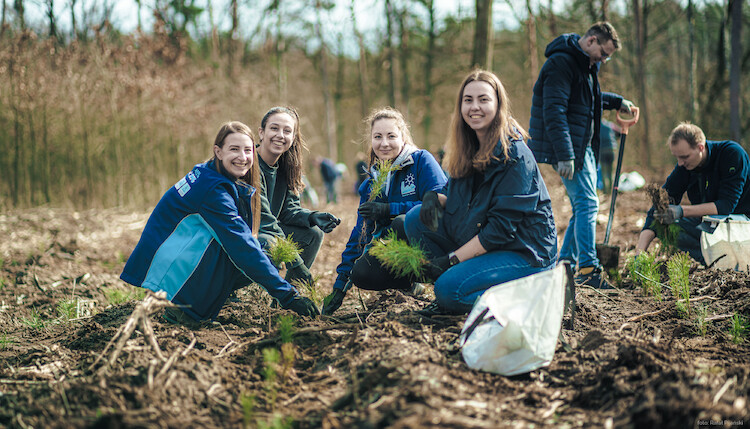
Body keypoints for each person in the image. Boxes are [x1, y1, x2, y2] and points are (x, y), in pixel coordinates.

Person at [120, 121, 319, 326]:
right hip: (169, 273)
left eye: (248, 150)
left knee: (256, 247)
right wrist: (288, 296)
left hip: (166, 261)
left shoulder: (210, 173)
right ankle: (183, 309)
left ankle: (202, 298)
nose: (242, 157)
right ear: (219, 151)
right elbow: (242, 246)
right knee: (254, 249)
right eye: (234, 149)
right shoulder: (213, 191)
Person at [404, 70, 558, 316]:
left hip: (524, 252)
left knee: (448, 291)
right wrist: (435, 198)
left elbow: (500, 230)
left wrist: (451, 260)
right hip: (486, 239)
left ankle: (534, 297)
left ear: (498, 104)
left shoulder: (515, 155)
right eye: (468, 100)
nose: (475, 107)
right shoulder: (467, 146)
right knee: (414, 218)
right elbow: (456, 195)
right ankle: (465, 282)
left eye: (483, 99)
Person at [528, 21, 636, 289]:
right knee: (587, 204)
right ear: (591, 42)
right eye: (605, 53)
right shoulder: (561, 64)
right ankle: (588, 267)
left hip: (582, 147)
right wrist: (565, 155)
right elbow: (554, 111)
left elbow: (587, 100)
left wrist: (616, 101)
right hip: (569, 150)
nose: (605, 60)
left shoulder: (584, 66)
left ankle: (565, 264)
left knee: (584, 205)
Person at [321, 107, 447, 315]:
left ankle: (444, 282)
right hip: (403, 251)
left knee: (400, 223)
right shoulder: (372, 183)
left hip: (437, 242)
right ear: (371, 140)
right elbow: (361, 232)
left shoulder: (421, 161)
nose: (384, 143)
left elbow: (441, 203)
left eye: (391, 136)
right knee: (361, 273)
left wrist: (390, 209)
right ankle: (410, 285)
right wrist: (340, 285)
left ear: (403, 137)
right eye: (378, 136)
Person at [636, 122, 750, 263]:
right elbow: (656, 211)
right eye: (677, 157)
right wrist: (639, 254)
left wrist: (681, 211)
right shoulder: (685, 167)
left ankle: (727, 261)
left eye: (684, 157)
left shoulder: (731, 154)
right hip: (711, 225)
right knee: (664, 225)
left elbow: (725, 207)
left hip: (742, 224)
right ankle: (710, 260)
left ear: (700, 147)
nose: (680, 163)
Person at [256, 107, 340, 286]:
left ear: (293, 138)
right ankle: (228, 289)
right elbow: (265, 221)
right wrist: (297, 262)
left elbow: (288, 211)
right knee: (270, 243)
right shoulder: (248, 165)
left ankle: (289, 295)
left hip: (265, 232)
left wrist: (312, 216)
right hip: (245, 233)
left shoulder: (288, 168)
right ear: (261, 133)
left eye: (287, 131)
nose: (280, 135)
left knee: (313, 234)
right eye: (274, 128)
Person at [598, 119, 619, 194]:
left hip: (602, 150)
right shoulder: (610, 125)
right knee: (610, 172)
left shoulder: (597, 125)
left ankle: (605, 191)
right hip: (612, 149)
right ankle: (610, 190)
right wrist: (614, 139)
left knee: (604, 172)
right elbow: (619, 132)